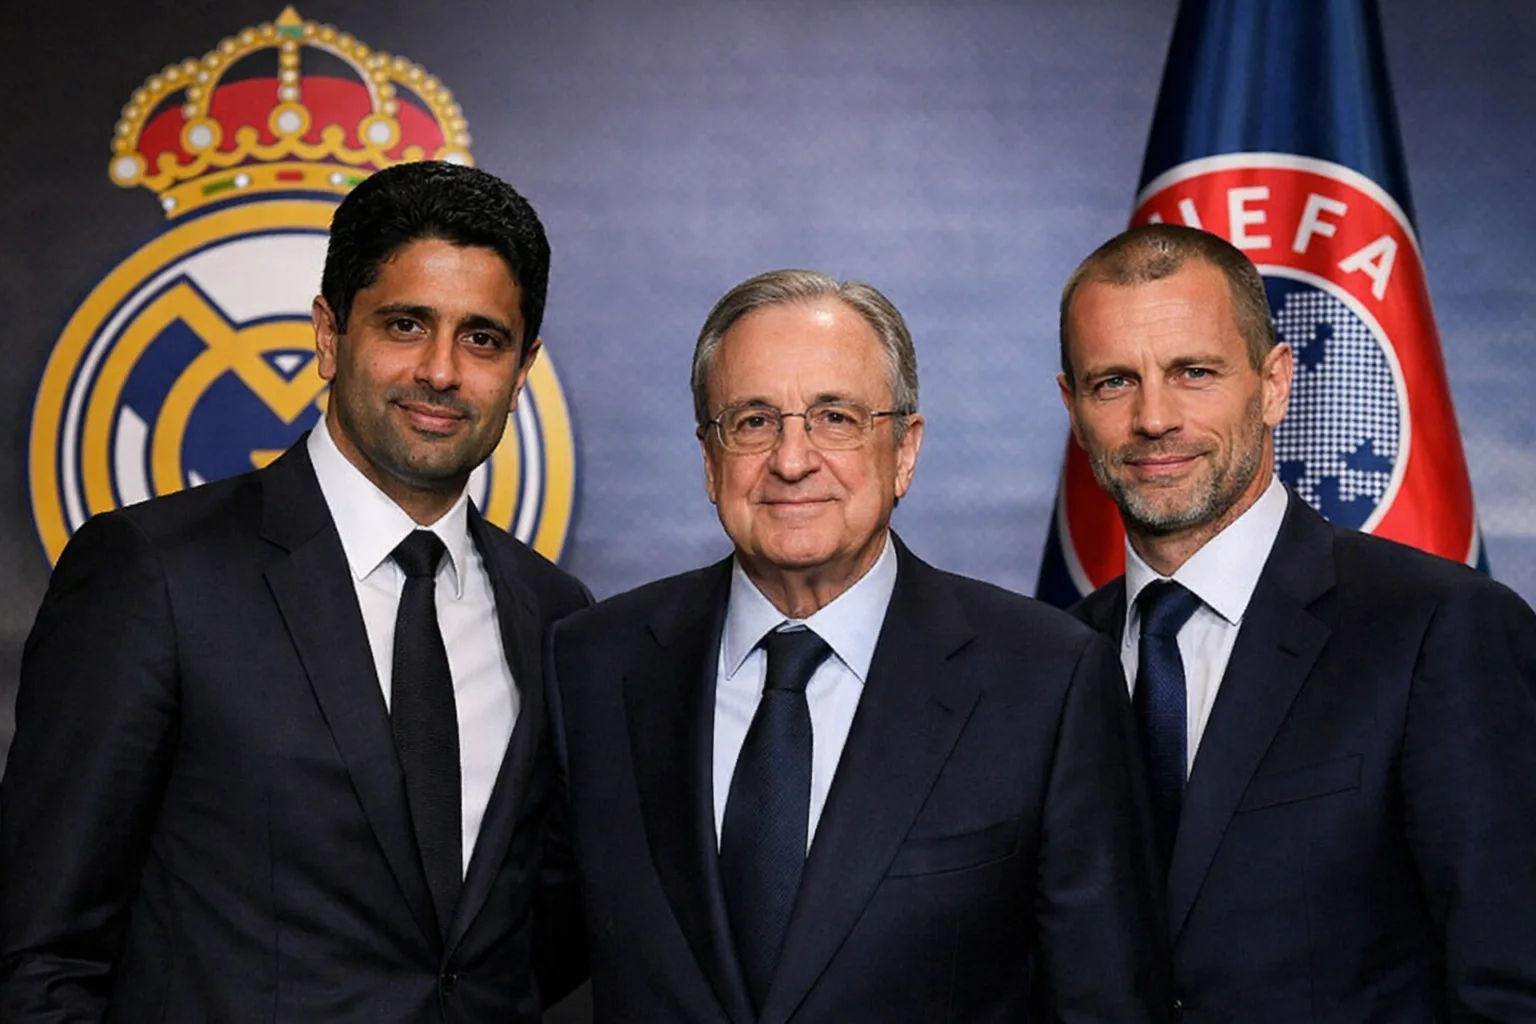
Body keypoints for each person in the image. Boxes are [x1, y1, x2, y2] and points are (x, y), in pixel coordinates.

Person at [0, 161, 590, 1021]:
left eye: (482, 339)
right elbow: (38, 952)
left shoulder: (556, 615)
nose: (441, 370)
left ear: (522, 366)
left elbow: (537, 942)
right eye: (405, 324)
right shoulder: (154, 574)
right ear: (328, 334)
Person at [546, 269, 1169, 1022]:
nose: (792, 460)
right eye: (753, 421)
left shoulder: (1046, 679)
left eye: (835, 417)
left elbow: (1104, 1002)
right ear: (710, 459)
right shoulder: (594, 664)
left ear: (904, 450)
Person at [1059, 223, 1536, 1021]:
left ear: (1274, 383)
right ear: (1074, 408)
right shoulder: (1054, 661)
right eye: (1114, 382)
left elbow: (1512, 983)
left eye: (1194, 372)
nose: (1154, 418)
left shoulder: (1440, 628)